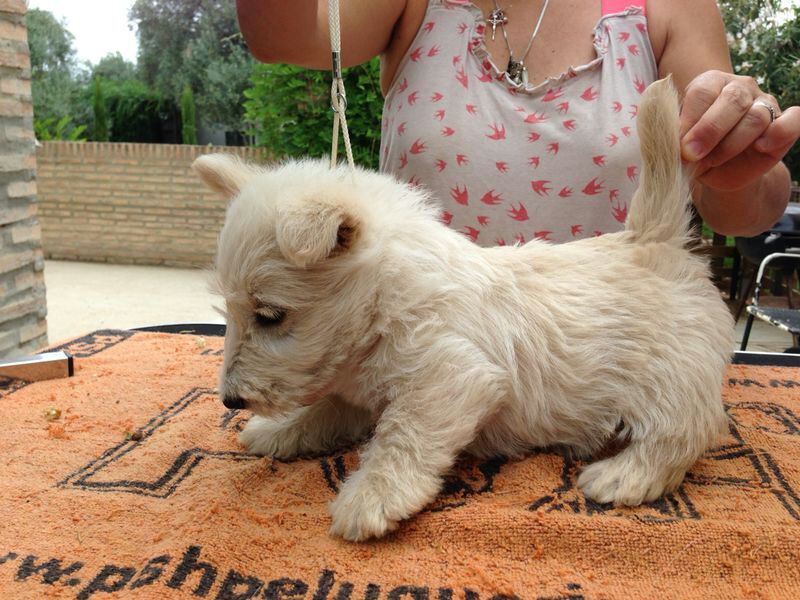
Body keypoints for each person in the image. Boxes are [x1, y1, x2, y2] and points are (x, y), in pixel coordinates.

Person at [235, 0, 798, 246]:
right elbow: (278, 36)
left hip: (606, 372)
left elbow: (746, 213)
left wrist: (739, 169)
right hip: (418, 369)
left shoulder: (668, 5)